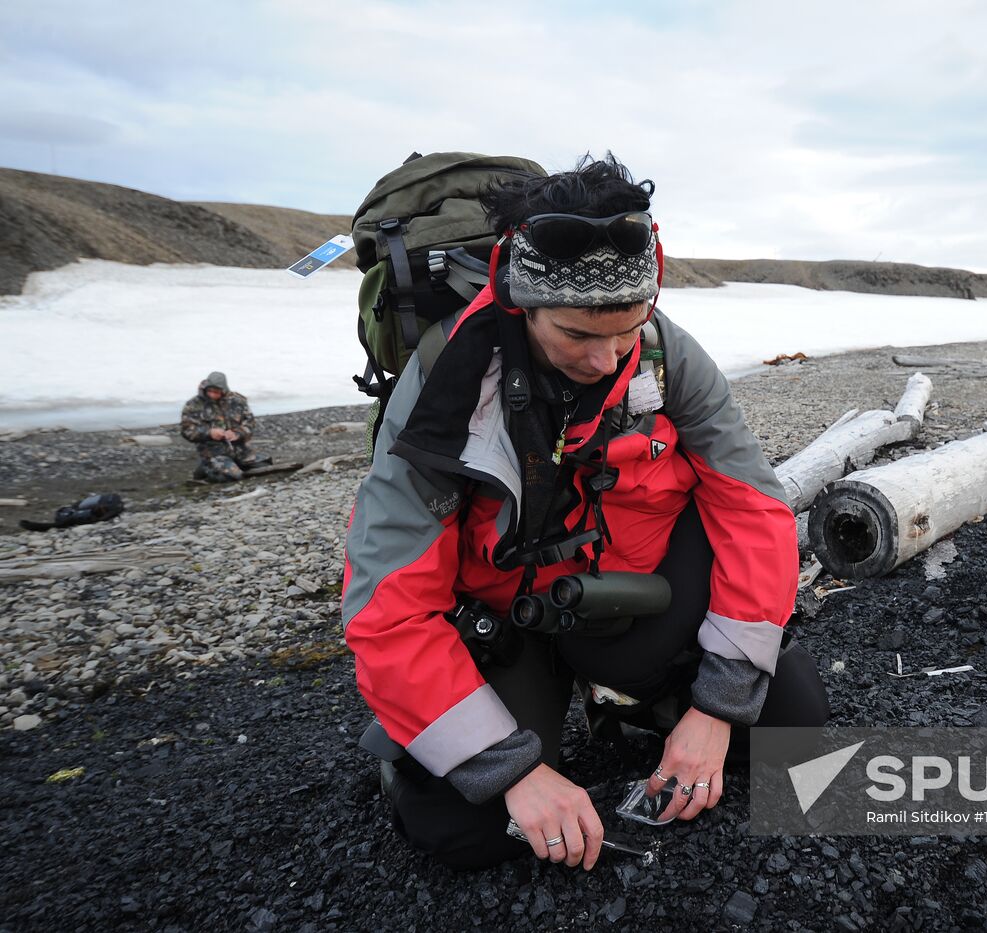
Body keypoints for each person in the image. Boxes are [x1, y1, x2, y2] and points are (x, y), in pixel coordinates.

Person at [343, 154, 829, 873]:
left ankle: (640, 702)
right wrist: (513, 770)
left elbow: (753, 509)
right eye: (577, 335)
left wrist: (717, 707)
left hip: (624, 596)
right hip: (506, 619)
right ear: (522, 302)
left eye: (626, 331)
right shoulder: (447, 385)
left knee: (793, 721)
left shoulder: (666, 355)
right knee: (461, 828)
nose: (606, 360)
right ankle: (406, 747)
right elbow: (385, 604)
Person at [179, 371, 265, 482]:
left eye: (217, 392)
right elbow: (186, 430)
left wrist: (238, 433)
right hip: (213, 453)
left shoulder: (237, 401)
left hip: (241, 451)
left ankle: (230, 466)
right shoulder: (193, 405)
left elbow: (250, 423)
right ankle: (205, 469)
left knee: (264, 466)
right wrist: (209, 433)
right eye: (210, 391)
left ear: (224, 390)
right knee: (233, 476)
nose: (213, 395)